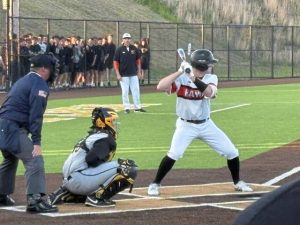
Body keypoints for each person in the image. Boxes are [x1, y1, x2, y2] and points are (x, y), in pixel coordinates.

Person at [147, 49, 253, 196]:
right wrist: (179, 71)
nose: (211, 65)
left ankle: (238, 182)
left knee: (231, 152)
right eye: (209, 63)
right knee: (174, 153)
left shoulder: (211, 77)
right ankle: (155, 184)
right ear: (202, 64)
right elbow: (161, 86)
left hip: (206, 124)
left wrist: (193, 77)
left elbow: (209, 92)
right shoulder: (182, 78)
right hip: (186, 125)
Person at [0, 54, 58, 213]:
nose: (53, 71)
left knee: (10, 159)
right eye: (51, 67)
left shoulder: (24, 80)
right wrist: (37, 142)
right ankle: (34, 200)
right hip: (11, 128)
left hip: (3, 126)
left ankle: (1, 194)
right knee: (35, 159)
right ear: (44, 69)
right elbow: (35, 114)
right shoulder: (39, 83)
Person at [48, 107, 137, 207]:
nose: (115, 124)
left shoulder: (93, 135)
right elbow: (90, 159)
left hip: (69, 181)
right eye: (112, 121)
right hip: (80, 180)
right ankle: (96, 198)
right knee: (128, 167)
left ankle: (65, 193)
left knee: (98, 168)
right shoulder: (106, 137)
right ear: (103, 122)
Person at [113, 33, 146, 113]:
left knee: (136, 90)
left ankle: (137, 107)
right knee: (125, 91)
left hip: (133, 74)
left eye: (128, 38)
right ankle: (126, 108)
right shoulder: (119, 50)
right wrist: (117, 74)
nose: (127, 40)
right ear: (123, 40)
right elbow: (115, 62)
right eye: (125, 38)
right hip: (123, 75)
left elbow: (138, 61)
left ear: (130, 39)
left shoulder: (134, 49)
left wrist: (139, 72)